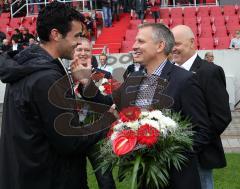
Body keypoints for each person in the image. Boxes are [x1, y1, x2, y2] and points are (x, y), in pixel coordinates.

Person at [74, 23, 214, 189]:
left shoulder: (185, 80)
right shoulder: (135, 77)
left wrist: (164, 153)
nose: (134, 46)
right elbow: (108, 102)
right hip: (144, 179)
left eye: (140, 41)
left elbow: (202, 131)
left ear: (160, 46)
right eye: (135, 41)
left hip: (177, 179)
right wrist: (86, 84)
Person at [0, 2, 117, 189]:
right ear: (56, 34)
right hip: (48, 178)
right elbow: (70, 142)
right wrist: (108, 120)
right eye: (77, 35)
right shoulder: (46, 77)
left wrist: (85, 85)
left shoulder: (30, 66)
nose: (80, 42)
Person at [171, 24, 231, 189]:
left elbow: (221, 116)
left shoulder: (210, 72)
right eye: (171, 44)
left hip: (198, 156)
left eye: (177, 44)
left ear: (192, 43)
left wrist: (191, 146)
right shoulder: (167, 73)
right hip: (169, 155)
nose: (173, 48)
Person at [73, 39, 116, 189]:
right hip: (72, 136)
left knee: (105, 179)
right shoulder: (63, 76)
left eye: (87, 50)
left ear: (92, 53)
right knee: (75, 179)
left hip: (98, 136)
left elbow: (107, 104)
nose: (83, 53)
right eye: (79, 49)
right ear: (73, 51)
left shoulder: (104, 75)